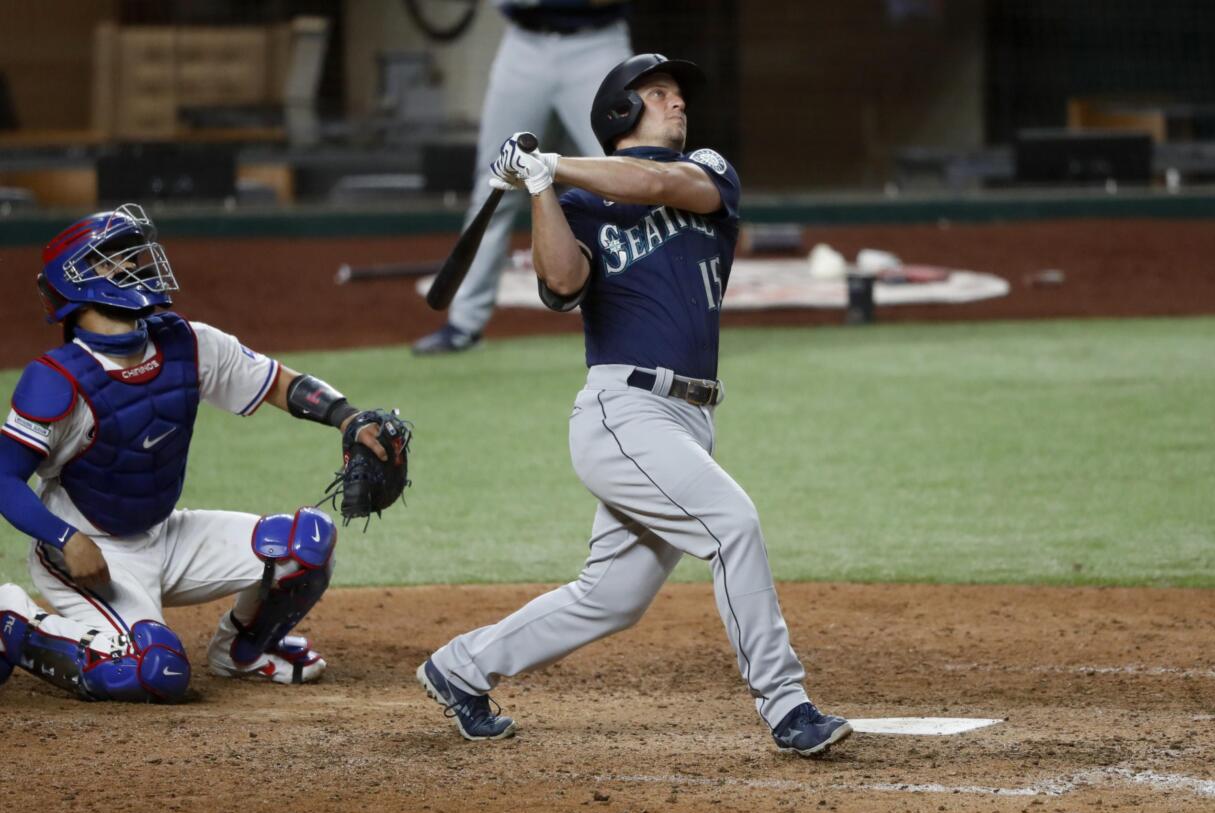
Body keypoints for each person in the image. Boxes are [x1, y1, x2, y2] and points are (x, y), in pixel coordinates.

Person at [415, 54, 853, 757]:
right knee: (732, 522)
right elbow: (559, 287)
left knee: (611, 596)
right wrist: (540, 191)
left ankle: (459, 668)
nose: (677, 104)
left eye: (679, 93)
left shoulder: (706, 169)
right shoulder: (576, 201)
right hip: (623, 412)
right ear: (621, 112)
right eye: (658, 94)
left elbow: (653, 180)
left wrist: (552, 163)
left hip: (690, 419)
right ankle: (787, 705)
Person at [0, 203, 394, 702]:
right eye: (116, 259)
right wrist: (66, 538)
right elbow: (4, 476)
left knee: (306, 546)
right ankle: (12, 620)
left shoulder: (187, 343)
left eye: (135, 254)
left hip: (166, 534)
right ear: (78, 283)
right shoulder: (57, 380)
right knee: (152, 672)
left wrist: (348, 416)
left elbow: (277, 383)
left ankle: (242, 653)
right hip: (89, 551)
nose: (138, 264)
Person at [411, 0, 632, 355]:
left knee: (628, 173)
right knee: (495, 182)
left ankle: (650, 316)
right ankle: (465, 324)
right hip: (524, 44)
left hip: (597, 44)